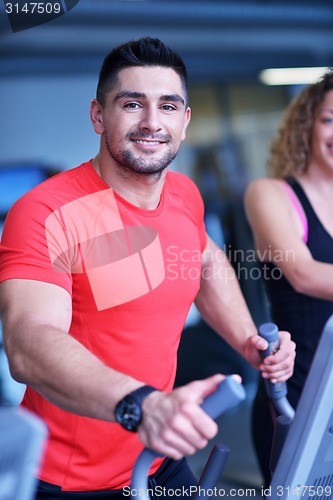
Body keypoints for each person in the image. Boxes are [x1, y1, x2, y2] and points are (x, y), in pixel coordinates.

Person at [0, 37, 295, 499]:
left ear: (185, 120)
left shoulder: (183, 194)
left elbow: (203, 260)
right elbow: (29, 342)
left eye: (169, 106)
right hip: (73, 479)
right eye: (132, 104)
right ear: (98, 115)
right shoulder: (45, 211)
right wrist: (143, 405)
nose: (152, 122)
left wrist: (249, 340)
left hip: (159, 458)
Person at [245, 69, 333, 487]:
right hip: (299, 399)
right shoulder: (269, 194)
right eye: (330, 119)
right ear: (307, 126)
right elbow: (303, 274)